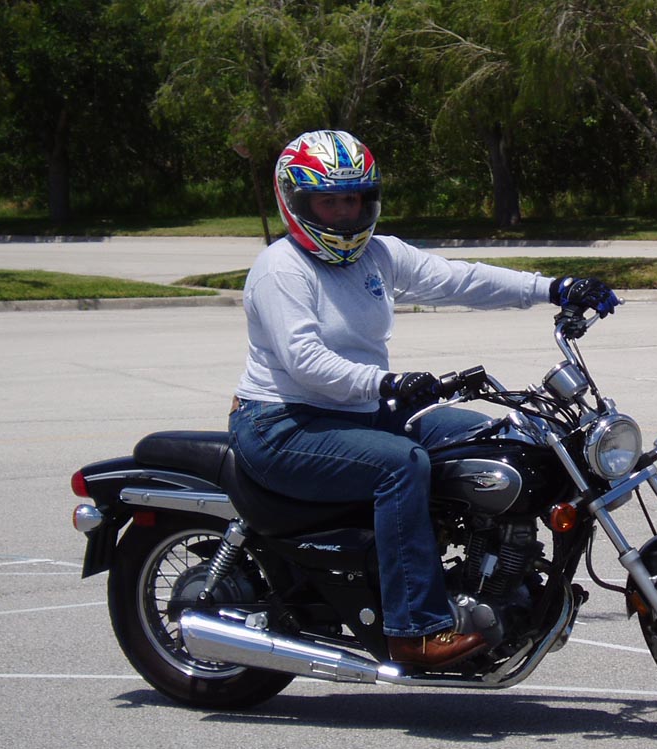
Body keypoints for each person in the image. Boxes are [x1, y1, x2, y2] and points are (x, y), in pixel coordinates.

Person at [228, 129, 620, 670]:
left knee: (499, 438)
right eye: (328, 202)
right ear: (296, 202)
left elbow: (460, 280)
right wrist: (386, 384)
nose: (344, 214)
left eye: (353, 200)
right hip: (283, 422)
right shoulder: (282, 268)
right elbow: (305, 362)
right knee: (400, 465)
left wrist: (554, 287)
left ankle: (504, 575)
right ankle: (414, 629)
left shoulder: (378, 255)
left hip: (361, 411)